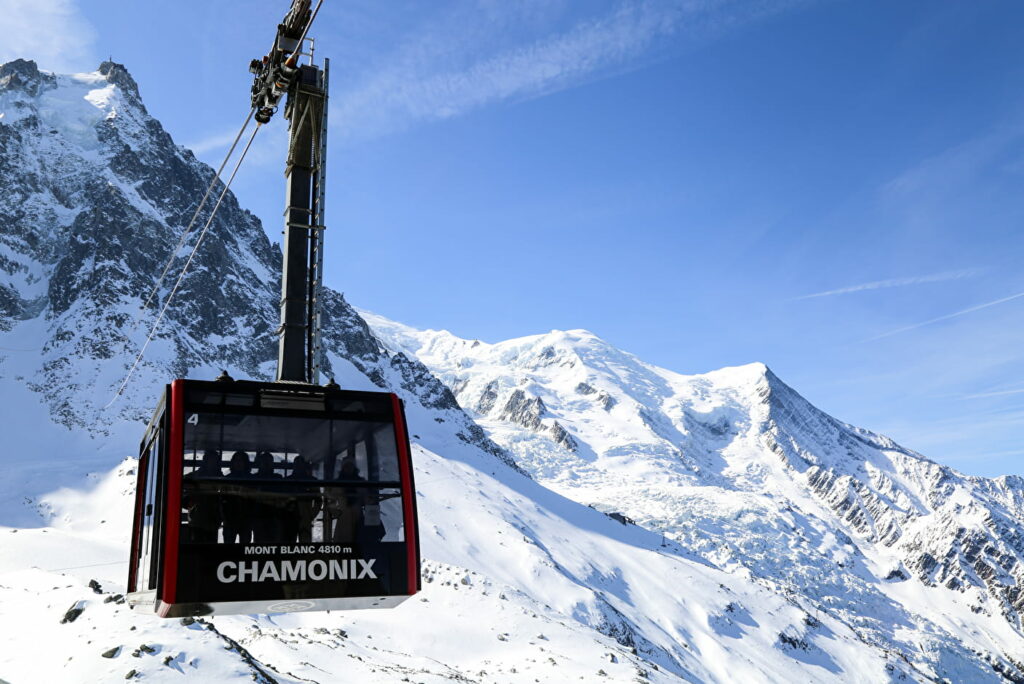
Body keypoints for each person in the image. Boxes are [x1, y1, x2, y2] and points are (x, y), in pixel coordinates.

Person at [183, 449, 222, 543]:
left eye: (214, 461)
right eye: (210, 460)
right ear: (205, 461)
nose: (212, 463)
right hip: (197, 520)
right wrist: (190, 504)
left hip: (212, 521)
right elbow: (182, 490)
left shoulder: (219, 478)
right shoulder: (194, 476)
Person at [284, 455, 322, 543]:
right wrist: (311, 515)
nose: (298, 467)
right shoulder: (311, 481)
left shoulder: (287, 481)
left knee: (299, 544)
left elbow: (318, 501)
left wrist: (311, 515)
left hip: (298, 517)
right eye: (297, 465)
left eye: (300, 465)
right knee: (297, 544)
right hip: (294, 517)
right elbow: (318, 501)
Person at [251, 451, 284, 543]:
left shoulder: (254, 478)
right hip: (271, 515)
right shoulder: (277, 478)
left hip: (262, 515)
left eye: (268, 462)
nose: (266, 464)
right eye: (265, 462)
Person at [221, 451, 253, 544]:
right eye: (237, 460)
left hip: (245, 520)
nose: (238, 463)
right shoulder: (251, 479)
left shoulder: (228, 479)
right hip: (230, 519)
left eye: (241, 461)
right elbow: (222, 499)